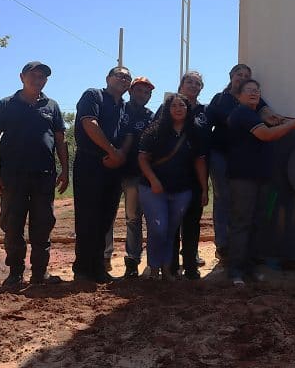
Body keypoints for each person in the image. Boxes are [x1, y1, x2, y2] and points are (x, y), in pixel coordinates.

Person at [0, 61, 68, 286]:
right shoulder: (6, 104)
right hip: (13, 177)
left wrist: (65, 170)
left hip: (44, 176)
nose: (38, 79)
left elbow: (60, 140)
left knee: (43, 224)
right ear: (22, 77)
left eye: (42, 77)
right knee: (12, 224)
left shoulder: (52, 106)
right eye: (34, 75)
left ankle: (40, 273)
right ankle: (15, 273)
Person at [226, 79, 295, 286]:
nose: (254, 93)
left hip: (259, 177)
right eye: (249, 90)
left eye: (257, 91)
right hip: (243, 178)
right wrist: (293, 125)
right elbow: (266, 135)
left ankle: (249, 268)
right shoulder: (242, 113)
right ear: (239, 96)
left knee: (256, 224)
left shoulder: (254, 115)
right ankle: (235, 271)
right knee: (242, 224)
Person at [205, 64, 282, 262]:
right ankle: (223, 245)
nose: (242, 77)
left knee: (241, 203)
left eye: (246, 75)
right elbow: (209, 123)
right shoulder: (220, 99)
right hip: (220, 153)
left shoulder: (254, 98)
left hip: (241, 157)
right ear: (231, 76)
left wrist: (273, 118)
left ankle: (241, 249)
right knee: (222, 198)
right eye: (239, 74)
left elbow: (266, 113)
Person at [138, 93, 209, 281]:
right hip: (153, 189)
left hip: (182, 189)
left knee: (171, 230)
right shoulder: (154, 131)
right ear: (168, 110)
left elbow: (200, 162)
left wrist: (204, 188)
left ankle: (167, 270)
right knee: (158, 229)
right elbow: (143, 159)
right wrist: (153, 180)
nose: (178, 109)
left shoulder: (195, 132)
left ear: (188, 109)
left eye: (182, 106)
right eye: (174, 106)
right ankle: (153, 268)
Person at [72, 66, 131, 284]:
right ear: (108, 78)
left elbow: (128, 135)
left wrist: (120, 155)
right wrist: (111, 151)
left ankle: (97, 267)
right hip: (90, 162)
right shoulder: (93, 95)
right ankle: (82, 268)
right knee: (87, 217)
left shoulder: (124, 106)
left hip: (113, 167)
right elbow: (90, 123)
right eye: (119, 76)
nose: (123, 80)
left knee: (106, 218)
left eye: (127, 78)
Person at [104, 76, 155, 278]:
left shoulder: (151, 116)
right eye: (140, 90)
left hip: (135, 173)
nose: (143, 95)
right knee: (107, 215)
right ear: (131, 91)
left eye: (147, 92)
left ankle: (132, 261)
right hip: (112, 170)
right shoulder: (118, 108)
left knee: (133, 218)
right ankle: (104, 256)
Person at [170, 71, 209, 280]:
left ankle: (191, 264)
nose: (193, 85)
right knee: (174, 221)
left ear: (201, 88)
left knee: (193, 221)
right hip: (173, 174)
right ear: (181, 85)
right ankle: (172, 266)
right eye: (189, 82)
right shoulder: (168, 107)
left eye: (197, 83)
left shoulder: (205, 111)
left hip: (197, 173)